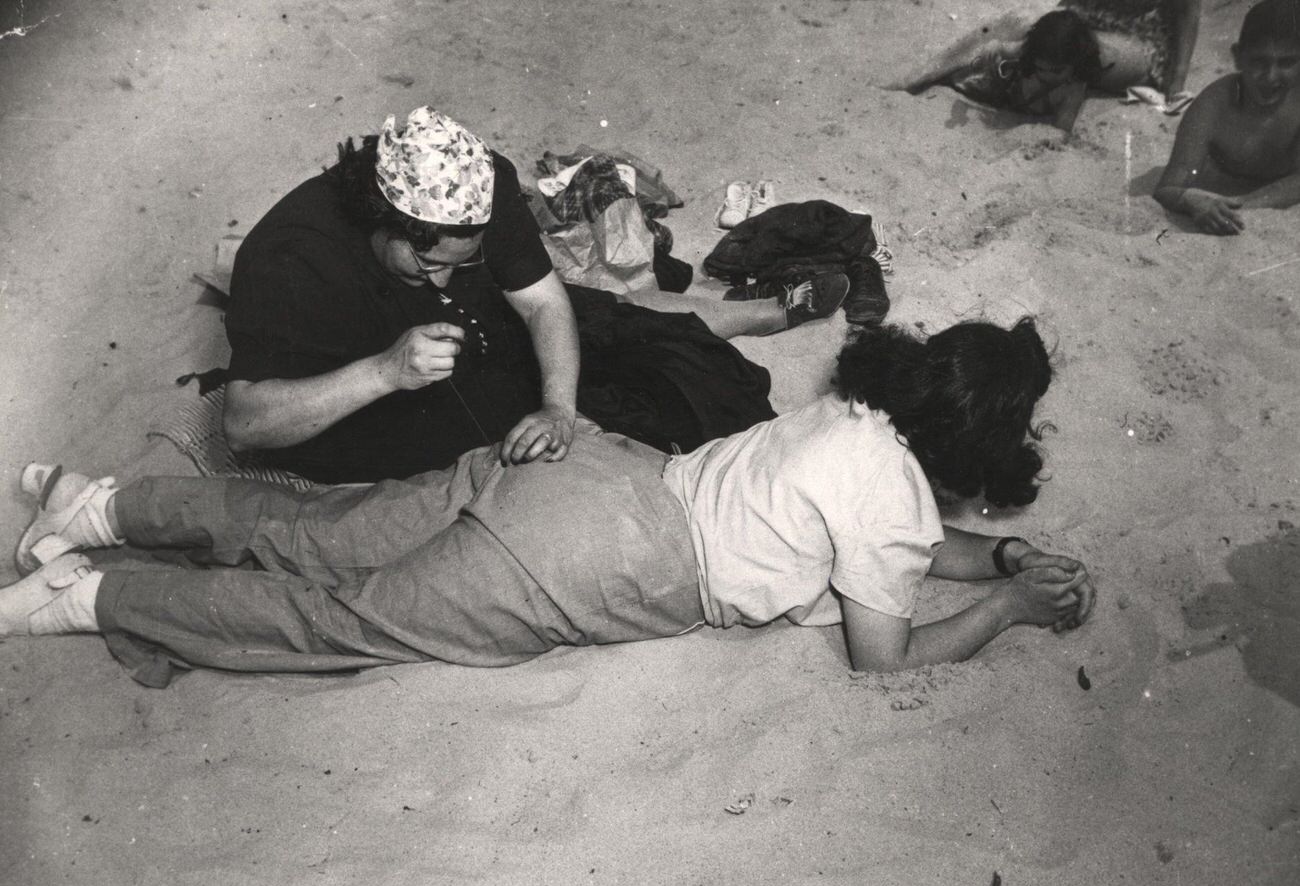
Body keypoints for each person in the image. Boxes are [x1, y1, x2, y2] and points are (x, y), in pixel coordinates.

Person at [2, 317, 1094, 688]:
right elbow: (881, 658)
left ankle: (103, 509)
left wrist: (991, 560)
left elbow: (892, 542)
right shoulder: (893, 504)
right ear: (979, 443)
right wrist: (1006, 610)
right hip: (595, 564)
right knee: (331, 619)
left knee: (321, 528)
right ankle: (92, 600)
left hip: (585, 469)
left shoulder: (854, 416)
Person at [221, 106, 846, 484]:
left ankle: (756, 313)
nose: (443, 280)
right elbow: (246, 424)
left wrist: (557, 406)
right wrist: (383, 373)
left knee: (614, 324)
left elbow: (544, 302)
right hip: (386, 402)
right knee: (633, 429)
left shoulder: (484, 185)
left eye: (461, 263)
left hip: (485, 336)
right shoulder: (290, 257)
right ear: (380, 222)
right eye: (427, 263)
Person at [891, 0, 1202, 130]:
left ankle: (1008, 59)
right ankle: (926, 72)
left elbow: (1188, 11)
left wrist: (1177, 80)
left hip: (1139, 33)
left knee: (1093, 53)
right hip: (1083, 11)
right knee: (1015, 19)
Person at [1153, 0, 1300, 235]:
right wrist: (1193, 201)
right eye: (1258, 62)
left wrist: (1241, 204)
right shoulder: (1214, 105)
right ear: (1238, 57)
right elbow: (1168, 187)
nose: (1271, 77)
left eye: (1286, 63)